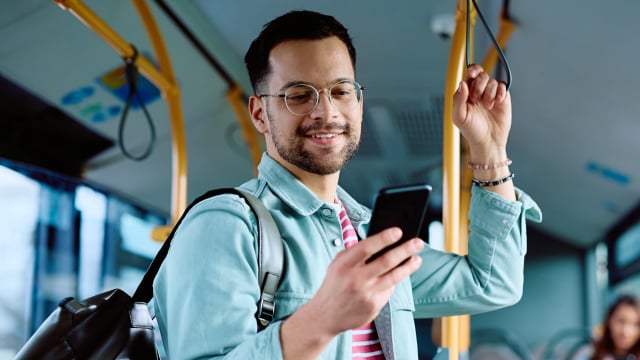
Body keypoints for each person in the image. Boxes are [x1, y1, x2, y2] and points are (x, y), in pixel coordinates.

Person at [153, 9, 542, 359]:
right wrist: (321, 320)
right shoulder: (225, 224)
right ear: (259, 113)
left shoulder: (365, 235)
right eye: (299, 95)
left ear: (357, 101)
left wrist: (489, 148)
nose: (327, 111)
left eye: (341, 91)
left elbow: (492, 282)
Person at [589, 294, 640, 360]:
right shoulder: (588, 353)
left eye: (636, 324)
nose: (626, 332)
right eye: (621, 321)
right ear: (609, 320)